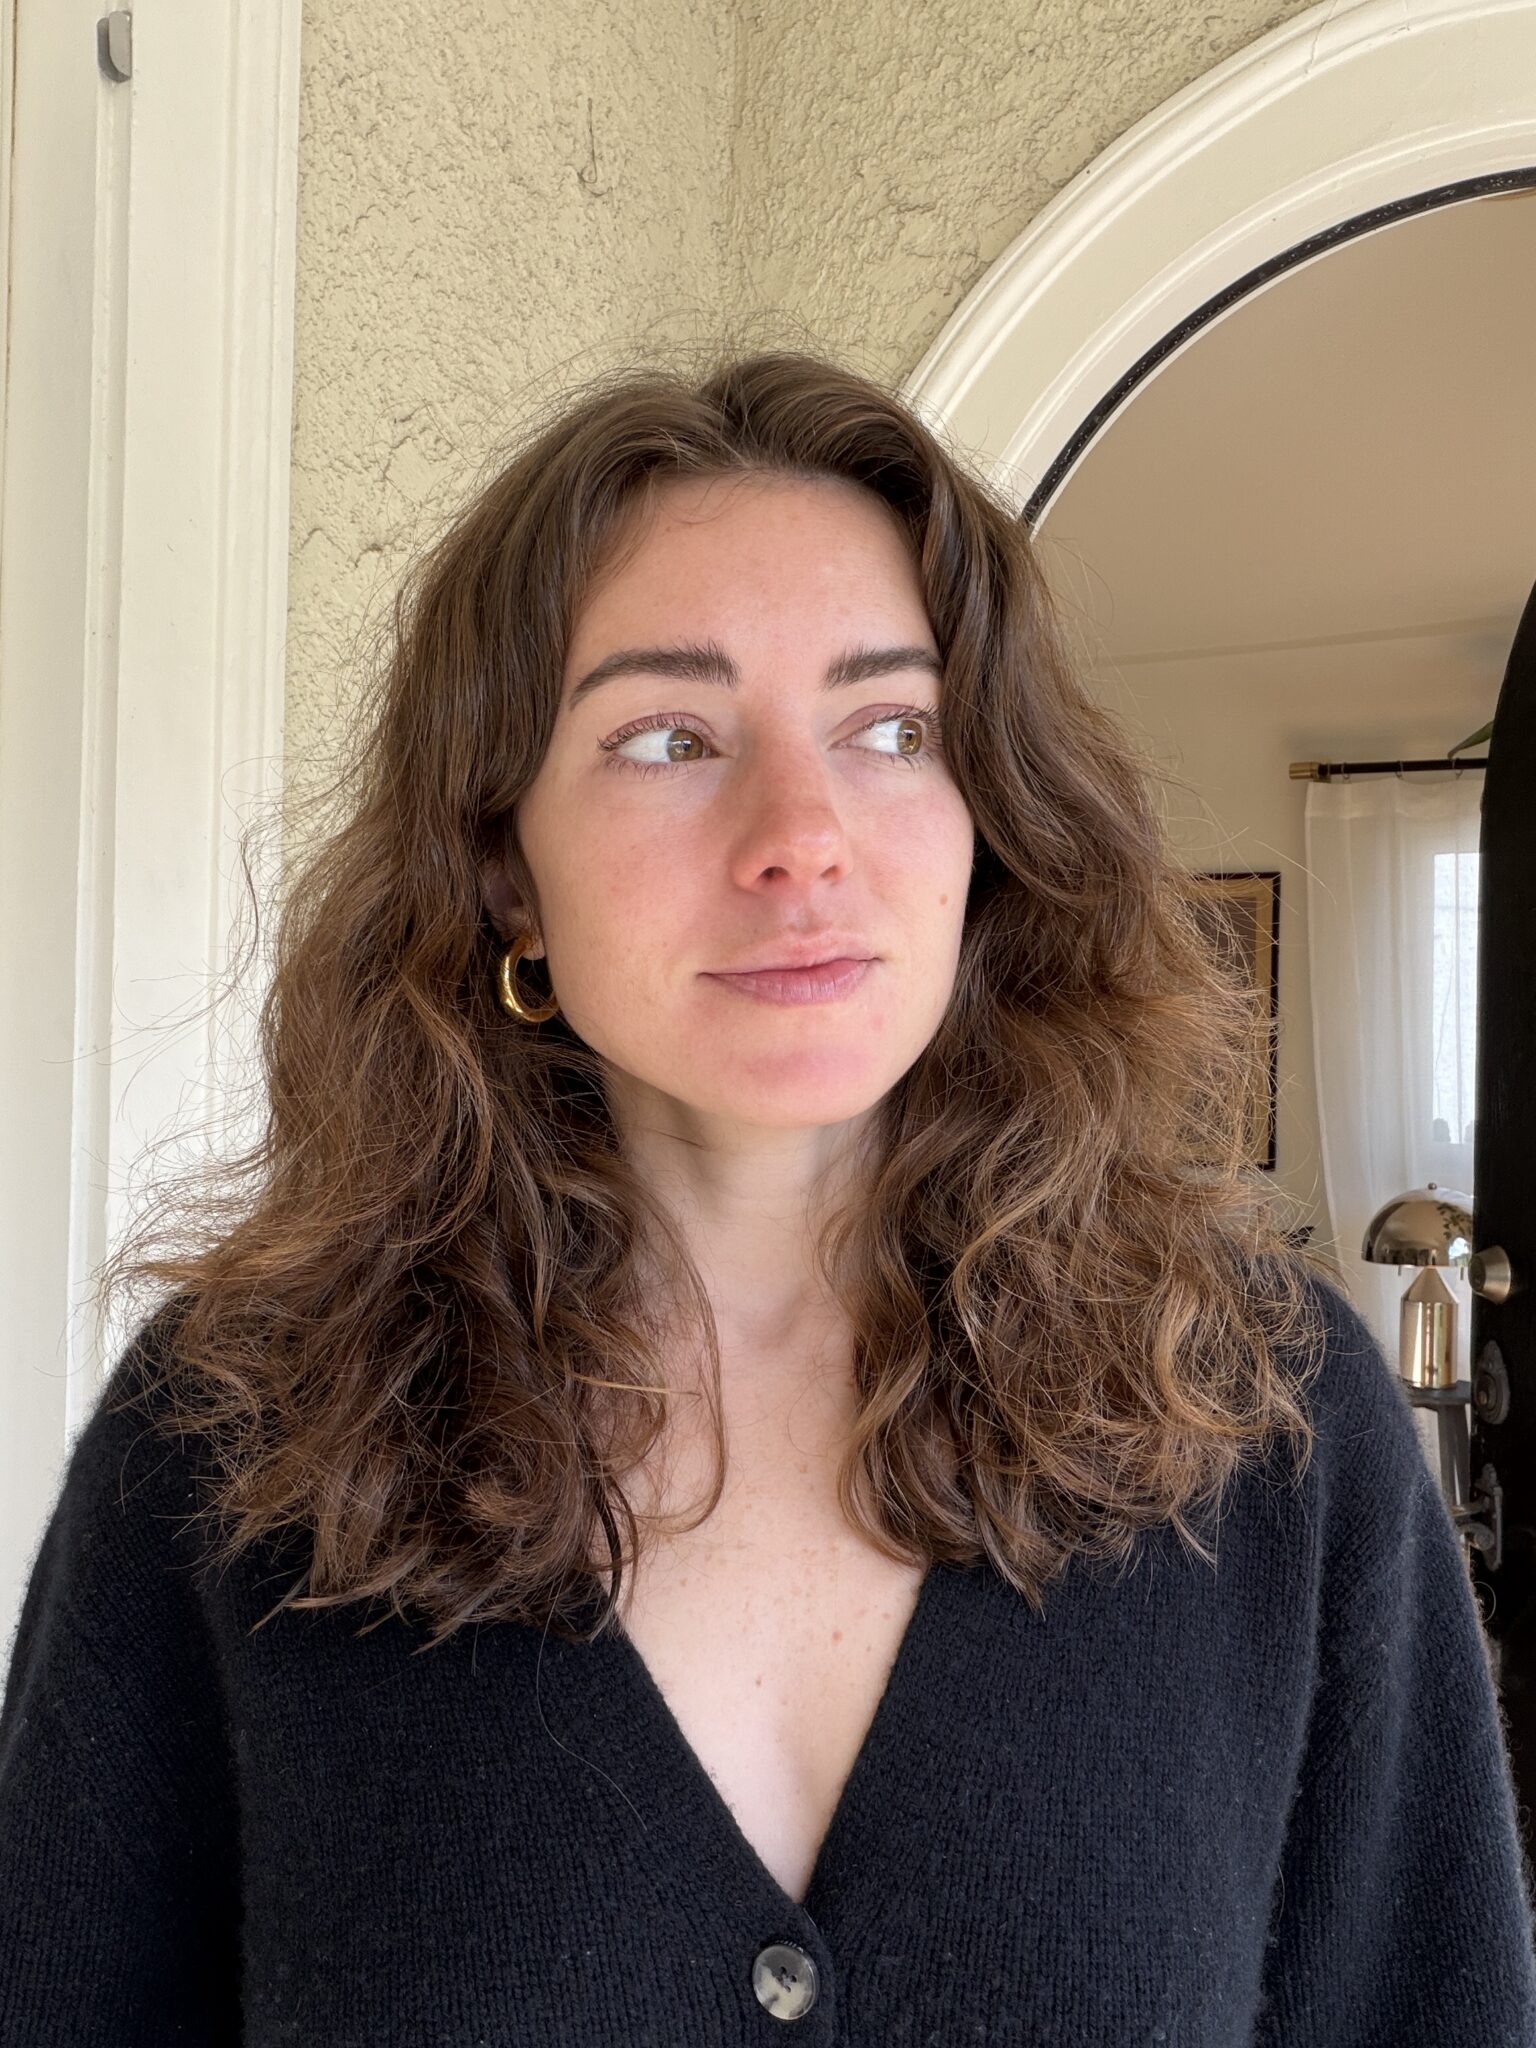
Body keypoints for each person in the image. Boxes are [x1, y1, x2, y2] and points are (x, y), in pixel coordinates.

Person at [1, 345, 1532, 2046]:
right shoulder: (234, 1439)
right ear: (504, 864)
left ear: (989, 821)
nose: (802, 835)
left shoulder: (1275, 1424)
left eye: (892, 728)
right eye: (669, 736)